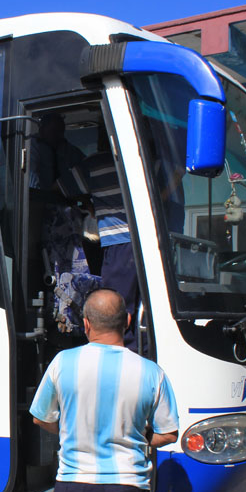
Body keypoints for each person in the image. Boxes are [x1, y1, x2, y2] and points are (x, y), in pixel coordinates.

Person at [30, 289, 178, 492]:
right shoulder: (152, 372)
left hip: (75, 486)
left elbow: (41, 418)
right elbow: (169, 433)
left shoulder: (62, 363)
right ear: (126, 321)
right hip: (128, 488)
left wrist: (69, 431)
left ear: (85, 324)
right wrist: (140, 438)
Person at [84, 151, 141, 352]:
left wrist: (89, 204)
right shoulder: (140, 156)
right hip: (143, 240)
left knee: (115, 306)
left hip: (118, 240)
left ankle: (119, 356)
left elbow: (60, 187)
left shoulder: (92, 164)